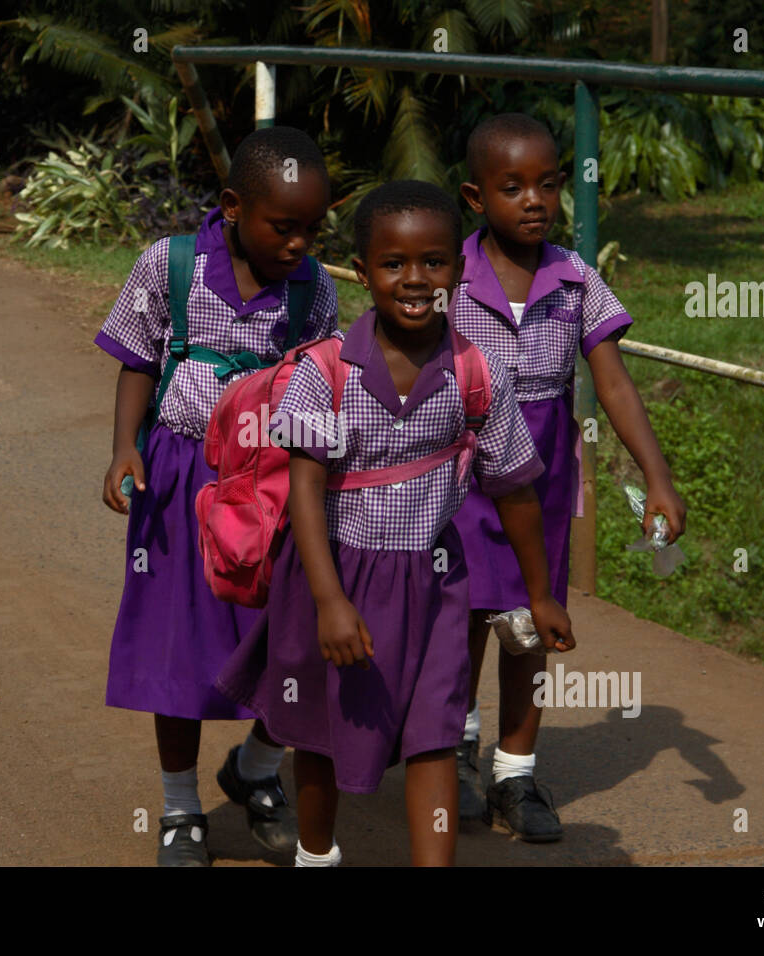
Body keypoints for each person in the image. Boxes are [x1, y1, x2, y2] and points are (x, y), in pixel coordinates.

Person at [216, 180, 575, 866]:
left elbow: (516, 490)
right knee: (322, 737)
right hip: (332, 573)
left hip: (435, 584)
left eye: (434, 263)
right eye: (392, 265)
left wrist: (541, 593)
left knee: (435, 735)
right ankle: (316, 855)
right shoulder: (325, 371)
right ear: (362, 271)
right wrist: (328, 602)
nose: (414, 280)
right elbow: (305, 488)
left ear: (459, 271)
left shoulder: (479, 372)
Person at [95, 126, 339, 865]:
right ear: (233, 206)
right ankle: (178, 810)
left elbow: (324, 381)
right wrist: (123, 448)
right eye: (283, 226)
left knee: (291, 640)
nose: (298, 243)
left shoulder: (314, 288)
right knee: (177, 646)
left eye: (311, 229)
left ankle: (258, 768)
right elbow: (138, 360)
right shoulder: (168, 266)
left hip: (272, 491)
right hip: (176, 477)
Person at [451, 113, 687, 840]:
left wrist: (657, 476)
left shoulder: (576, 278)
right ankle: (454, 751)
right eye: (512, 186)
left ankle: (515, 775)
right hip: (459, 467)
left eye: (547, 184)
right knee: (459, 616)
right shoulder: (446, 272)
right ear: (474, 196)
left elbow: (613, 385)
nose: (534, 201)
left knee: (530, 620)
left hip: (544, 468)